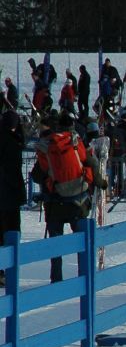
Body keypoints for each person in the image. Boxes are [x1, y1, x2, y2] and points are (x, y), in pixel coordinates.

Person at [31, 111, 103, 282]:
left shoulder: (47, 146)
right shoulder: (76, 143)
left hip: (55, 203)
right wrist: (101, 182)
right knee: (82, 242)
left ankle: (56, 280)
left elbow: (37, 176)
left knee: (56, 245)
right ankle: (84, 277)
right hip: (78, 201)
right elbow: (90, 162)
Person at [0, 110, 25, 285]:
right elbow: (14, 173)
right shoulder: (13, 144)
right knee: (11, 233)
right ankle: (8, 271)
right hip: (9, 197)